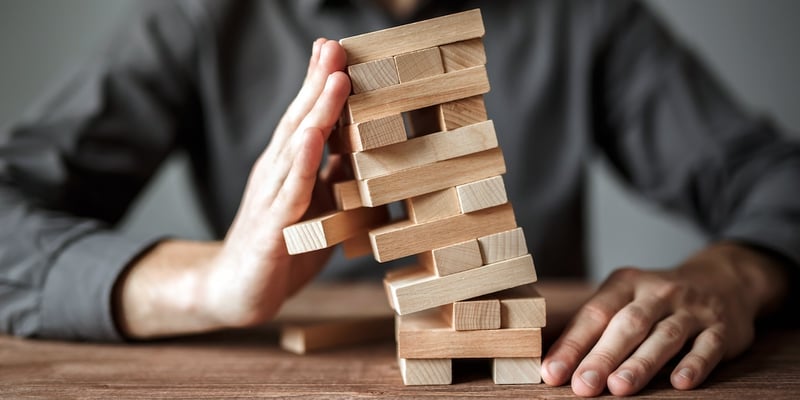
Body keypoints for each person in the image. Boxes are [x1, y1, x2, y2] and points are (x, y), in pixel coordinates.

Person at [0, 0, 797, 396]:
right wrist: (202, 283)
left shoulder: (589, 16)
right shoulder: (196, 17)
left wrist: (737, 271)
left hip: (530, 366)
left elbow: (772, 176)